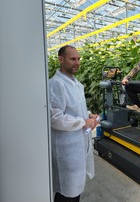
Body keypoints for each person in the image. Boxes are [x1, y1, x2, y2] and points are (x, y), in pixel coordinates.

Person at [49, 45, 99, 202]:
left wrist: (88, 114)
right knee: (66, 191)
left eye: (78, 59)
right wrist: (83, 122)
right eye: (72, 59)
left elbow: (74, 108)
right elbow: (55, 117)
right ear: (61, 59)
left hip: (78, 146)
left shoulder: (76, 83)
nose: (77, 62)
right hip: (67, 149)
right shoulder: (56, 84)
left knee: (75, 191)